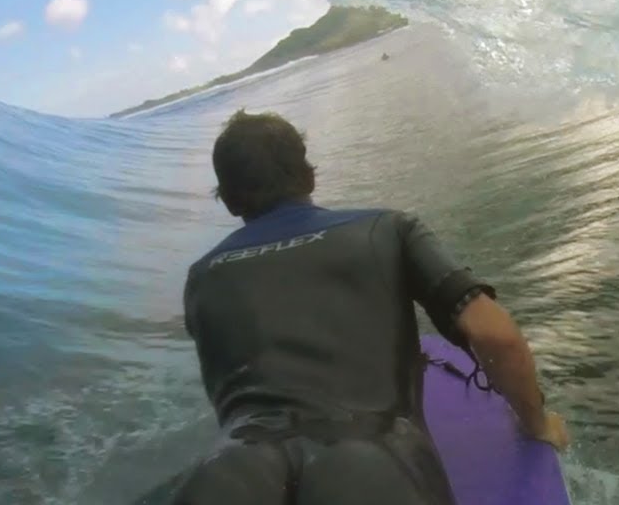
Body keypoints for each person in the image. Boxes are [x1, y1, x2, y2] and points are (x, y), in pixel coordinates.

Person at [170, 109, 569, 505]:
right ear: (309, 175)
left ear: (229, 202)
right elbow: (495, 335)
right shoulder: (388, 228)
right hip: (373, 464)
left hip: (230, 469)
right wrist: (537, 424)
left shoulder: (201, 277)